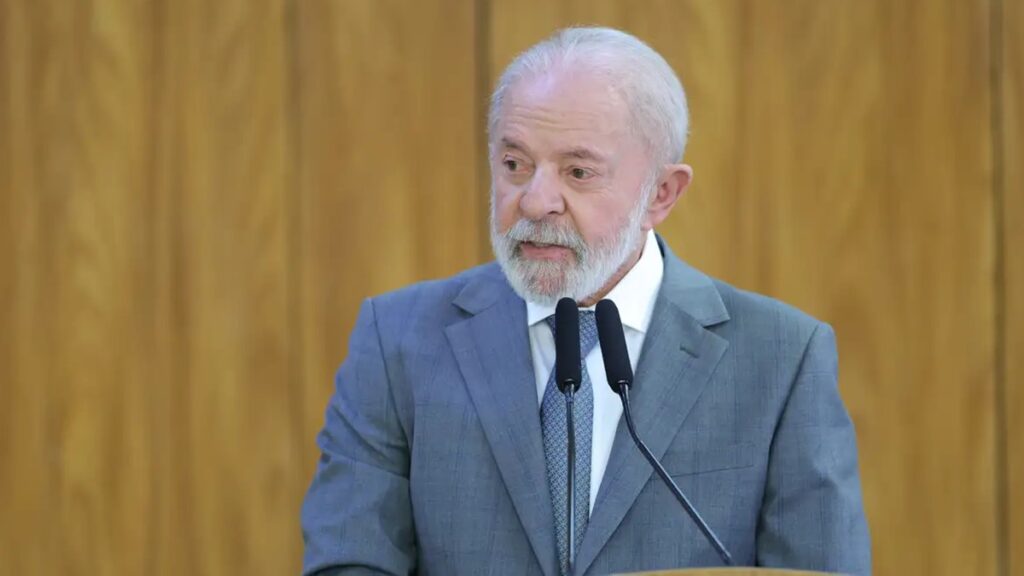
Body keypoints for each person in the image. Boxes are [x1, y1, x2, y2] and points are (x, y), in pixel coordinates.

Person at [301, 26, 871, 576]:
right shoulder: (397, 341)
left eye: (578, 172)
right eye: (514, 165)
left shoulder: (781, 358)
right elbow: (349, 562)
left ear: (662, 194)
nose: (535, 202)